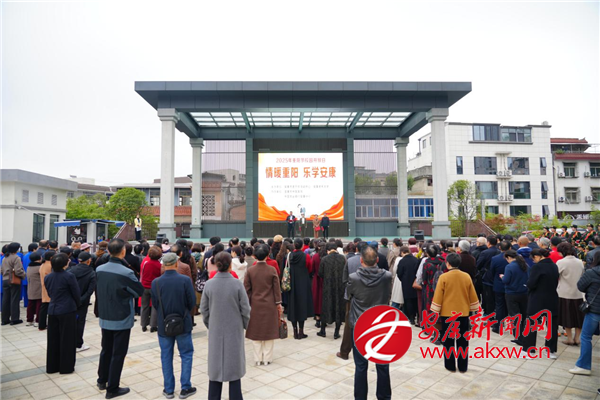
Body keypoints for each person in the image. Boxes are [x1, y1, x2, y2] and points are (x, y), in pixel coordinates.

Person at [96, 238, 144, 399]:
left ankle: (102, 380)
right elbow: (138, 291)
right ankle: (112, 388)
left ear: (109, 251)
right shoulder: (126, 272)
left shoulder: (99, 269)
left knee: (106, 349)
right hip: (121, 316)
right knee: (118, 353)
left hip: (105, 314)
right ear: (123, 252)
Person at [200, 252, 250, 400]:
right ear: (230, 265)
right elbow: (246, 309)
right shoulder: (237, 284)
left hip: (216, 329)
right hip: (234, 329)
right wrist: (244, 325)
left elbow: (204, 309)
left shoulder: (209, 284)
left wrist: (211, 324)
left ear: (216, 265)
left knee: (215, 369)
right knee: (234, 369)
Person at [348, 245, 393, 400]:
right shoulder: (387, 276)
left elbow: (347, 295)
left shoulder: (354, 278)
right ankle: (384, 397)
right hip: (381, 325)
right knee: (383, 365)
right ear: (377, 260)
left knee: (361, 366)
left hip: (360, 325)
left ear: (361, 260)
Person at [151, 253, 197, 399]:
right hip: (183, 322)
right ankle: (185, 387)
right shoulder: (185, 280)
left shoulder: (156, 282)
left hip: (164, 323)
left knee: (166, 356)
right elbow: (192, 302)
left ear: (163, 265)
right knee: (186, 354)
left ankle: (169, 389)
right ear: (177, 263)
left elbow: (155, 304)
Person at [431, 253, 479, 372]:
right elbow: (472, 295)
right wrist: (473, 309)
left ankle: (450, 365)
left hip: (447, 314)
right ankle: (463, 366)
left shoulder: (444, 277)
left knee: (448, 340)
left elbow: (438, 296)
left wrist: (435, 311)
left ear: (447, 263)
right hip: (463, 313)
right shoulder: (466, 276)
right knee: (463, 340)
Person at [244, 244, 282, 366]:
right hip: (270, 304)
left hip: (255, 305)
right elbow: (276, 289)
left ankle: (257, 358)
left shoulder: (250, 270)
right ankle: (267, 358)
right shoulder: (272, 270)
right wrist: (278, 303)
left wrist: (247, 304)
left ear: (254, 256)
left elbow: (247, 290)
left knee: (256, 332)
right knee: (269, 331)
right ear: (267, 255)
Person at [44, 252, 81, 374]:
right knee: (67, 339)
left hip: (53, 309)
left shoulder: (48, 277)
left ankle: (52, 366)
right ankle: (66, 367)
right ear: (65, 264)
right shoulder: (69, 276)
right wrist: (78, 305)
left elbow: (50, 293)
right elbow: (76, 293)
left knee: (53, 339)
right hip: (67, 309)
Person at [525, 248, 559, 359]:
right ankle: (550, 350)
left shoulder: (537, 267)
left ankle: (529, 350)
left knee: (531, 323)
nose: (533, 261)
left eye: (533, 259)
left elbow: (531, 283)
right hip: (552, 297)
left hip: (537, 298)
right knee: (552, 326)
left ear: (537, 256)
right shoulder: (554, 266)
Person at [568, 257, 600, 376]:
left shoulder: (592, 272)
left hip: (594, 310)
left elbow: (581, 286)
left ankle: (584, 366)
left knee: (586, 337)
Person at [556, 242, 585, 346]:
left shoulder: (561, 262)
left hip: (565, 293)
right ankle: (577, 338)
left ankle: (569, 338)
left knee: (566, 317)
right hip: (578, 293)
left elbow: (556, 275)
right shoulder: (580, 262)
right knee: (579, 317)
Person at [68, 251, 97, 352]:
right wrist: (81, 299)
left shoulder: (71, 270)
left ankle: (70, 342)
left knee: (71, 321)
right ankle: (78, 343)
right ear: (89, 261)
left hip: (71, 300)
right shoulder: (92, 273)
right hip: (83, 301)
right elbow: (90, 290)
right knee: (80, 321)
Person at [317, 242, 347, 339]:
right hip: (340, 286)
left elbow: (320, 273)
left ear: (328, 250)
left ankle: (323, 330)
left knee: (326, 307)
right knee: (339, 307)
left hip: (328, 286)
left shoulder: (324, 259)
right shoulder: (343, 258)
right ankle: (336, 332)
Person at [501, 250, 530, 348]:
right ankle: (525, 334)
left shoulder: (509, 267)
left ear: (509, 257)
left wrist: (502, 277)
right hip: (524, 293)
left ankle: (518, 337)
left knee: (514, 315)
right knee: (523, 314)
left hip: (512, 293)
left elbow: (506, 280)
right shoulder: (525, 265)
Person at [287, 238, 314, 339]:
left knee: (293, 305)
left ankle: (294, 331)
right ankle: (301, 331)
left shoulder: (289, 255)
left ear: (294, 245)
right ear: (302, 246)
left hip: (292, 283)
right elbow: (310, 268)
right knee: (302, 306)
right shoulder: (306, 256)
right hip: (303, 282)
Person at [1, 242, 26, 325]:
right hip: (14, 280)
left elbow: (1, 270)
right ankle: (14, 319)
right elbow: (18, 271)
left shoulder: (5, 258)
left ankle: (5, 319)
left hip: (5, 279)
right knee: (14, 299)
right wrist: (24, 275)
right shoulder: (16, 258)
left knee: (5, 299)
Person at [489, 241, 510, 333]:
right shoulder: (516, 258)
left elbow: (492, 271)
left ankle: (498, 325)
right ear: (510, 248)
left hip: (499, 284)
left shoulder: (495, 259)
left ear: (500, 248)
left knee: (499, 305)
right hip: (511, 285)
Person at [476, 236, 500, 316]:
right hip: (497, 276)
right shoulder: (499, 252)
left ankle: (488, 313)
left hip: (487, 277)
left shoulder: (485, 253)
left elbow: (478, 265)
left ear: (488, 243)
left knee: (487, 296)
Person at [140, 246, 162, 333]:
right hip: (155, 287)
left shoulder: (146, 263)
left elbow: (142, 274)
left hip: (144, 286)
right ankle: (153, 325)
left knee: (144, 306)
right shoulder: (160, 265)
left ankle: (143, 324)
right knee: (155, 306)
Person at [396, 246, 419, 325]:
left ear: (402, 252)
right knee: (415, 300)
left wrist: (403, 279)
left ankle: (411, 318)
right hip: (415, 283)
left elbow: (399, 273)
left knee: (408, 300)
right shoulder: (416, 260)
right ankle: (417, 316)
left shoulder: (402, 261)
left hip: (406, 283)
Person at [38, 251, 55, 330]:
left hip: (44, 287)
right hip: (50, 288)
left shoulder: (42, 265)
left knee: (44, 307)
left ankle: (41, 324)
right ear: (51, 257)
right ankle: (49, 324)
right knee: (49, 307)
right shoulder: (50, 265)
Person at [25, 253, 43, 327]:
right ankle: (38, 320)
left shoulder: (29, 267)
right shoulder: (39, 267)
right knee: (39, 305)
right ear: (39, 258)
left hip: (31, 287)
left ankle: (29, 320)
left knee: (30, 305)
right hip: (39, 288)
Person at [312, 241, 325, 328]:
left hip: (316, 279)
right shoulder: (327, 257)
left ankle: (317, 318)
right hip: (325, 280)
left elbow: (312, 268)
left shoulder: (315, 256)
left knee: (317, 299)